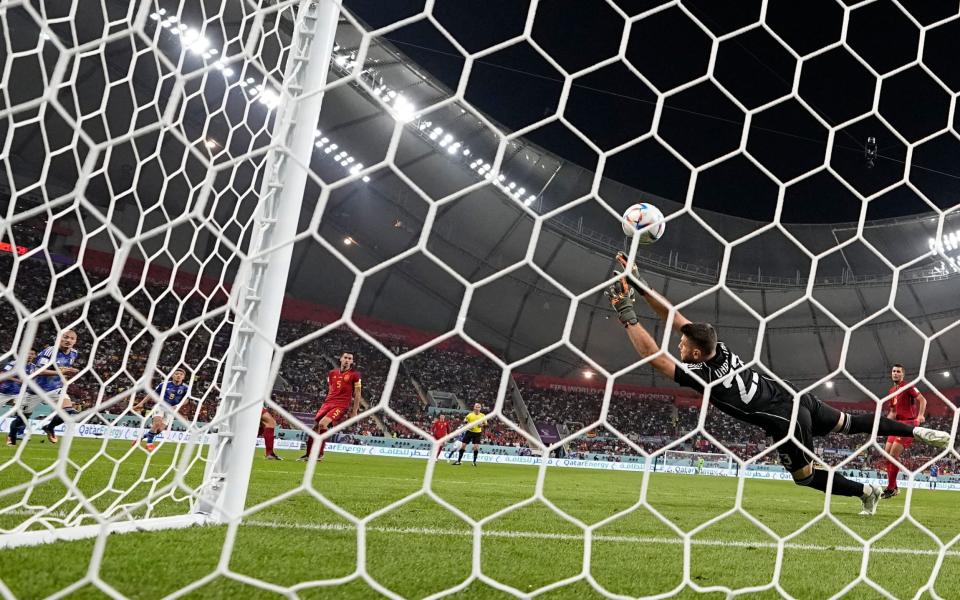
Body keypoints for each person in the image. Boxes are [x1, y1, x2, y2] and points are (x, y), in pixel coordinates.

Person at [607, 253, 951, 515]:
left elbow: (654, 355)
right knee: (852, 423)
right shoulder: (718, 347)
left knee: (805, 476)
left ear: (697, 353)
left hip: (784, 420)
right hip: (795, 396)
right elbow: (673, 315)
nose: (678, 346)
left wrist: (626, 312)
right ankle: (917, 432)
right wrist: (640, 284)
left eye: (683, 346)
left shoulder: (704, 377)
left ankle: (866, 493)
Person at [299, 352, 362, 462]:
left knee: (323, 424)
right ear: (341, 359)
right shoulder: (332, 373)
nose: (347, 360)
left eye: (350, 359)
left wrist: (354, 411)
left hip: (341, 405)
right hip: (328, 403)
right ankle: (308, 455)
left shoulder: (355, 375)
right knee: (315, 428)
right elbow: (331, 389)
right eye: (345, 358)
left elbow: (358, 393)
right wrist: (326, 402)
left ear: (352, 362)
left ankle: (320, 454)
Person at [881, 364, 927, 499]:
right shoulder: (891, 391)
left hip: (908, 424)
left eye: (898, 371)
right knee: (887, 455)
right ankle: (894, 486)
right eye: (894, 371)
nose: (895, 373)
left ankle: (890, 489)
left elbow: (922, 400)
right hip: (896, 424)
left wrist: (920, 415)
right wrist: (884, 423)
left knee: (893, 455)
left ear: (902, 374)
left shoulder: (908, 387)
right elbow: (893, 412)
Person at [28, 331, 80, 444]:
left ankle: (49, 427)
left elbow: (63, 369)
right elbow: (38, 371)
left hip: (55, 388)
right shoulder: (50, 351)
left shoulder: (74, 353)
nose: (68, 340)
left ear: (75, 341)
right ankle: (12, 437)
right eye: (65, 337)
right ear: (59, 338)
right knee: (23, 416)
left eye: (72, 338)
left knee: (69, 412)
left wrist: (65, 378)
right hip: (36, 388)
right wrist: (61, 372)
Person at [133, 367, 190, 451]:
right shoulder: (164, 384)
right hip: (160, 406)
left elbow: (186, 400)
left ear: (183, 377)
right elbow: (152, 394)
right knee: (157, 424)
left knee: (159, 430)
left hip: (171, 410)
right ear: (172, 376)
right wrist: (141, 403)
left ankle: (141, 437)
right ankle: (149, 443)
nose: (178, 375)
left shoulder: (186, 388)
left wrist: (177, 406)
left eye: (181, 374)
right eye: (176, 374)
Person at [1, 349, 36, 446]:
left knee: (24, 413)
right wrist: (18, 380)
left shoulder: (33, 367)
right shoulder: (14, 363)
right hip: (4, 391)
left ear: (35, 356)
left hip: (19, 393)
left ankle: (16, 434)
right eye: (28, 353)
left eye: (32, 354)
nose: (30, 355)